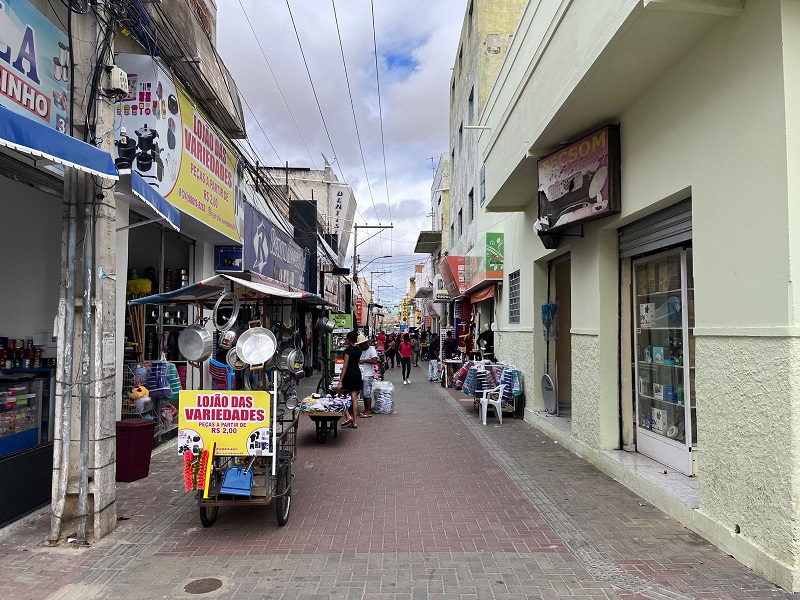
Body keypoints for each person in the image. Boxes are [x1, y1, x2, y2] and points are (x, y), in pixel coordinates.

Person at [337, 331, 362, 428]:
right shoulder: (358, 350)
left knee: (338, 392)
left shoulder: (348, 350)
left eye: (346, 338)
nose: (345, 340)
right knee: (354, 397)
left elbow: (345, 365)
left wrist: (340, 380)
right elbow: (358, 361)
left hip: (349, 374)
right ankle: (355, 422)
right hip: (357, 373)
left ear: (349, 339)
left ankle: (347, 415)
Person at [357, 333, 378, 417]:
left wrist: (364, 361)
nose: (360, 346)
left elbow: (375, 360)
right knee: (364, 394)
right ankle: (366, 410)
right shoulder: (360, 351)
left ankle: (368, 411)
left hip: (368, 375)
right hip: (362, 374)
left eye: (361, 345)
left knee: (367, 393)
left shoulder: (371, 349)